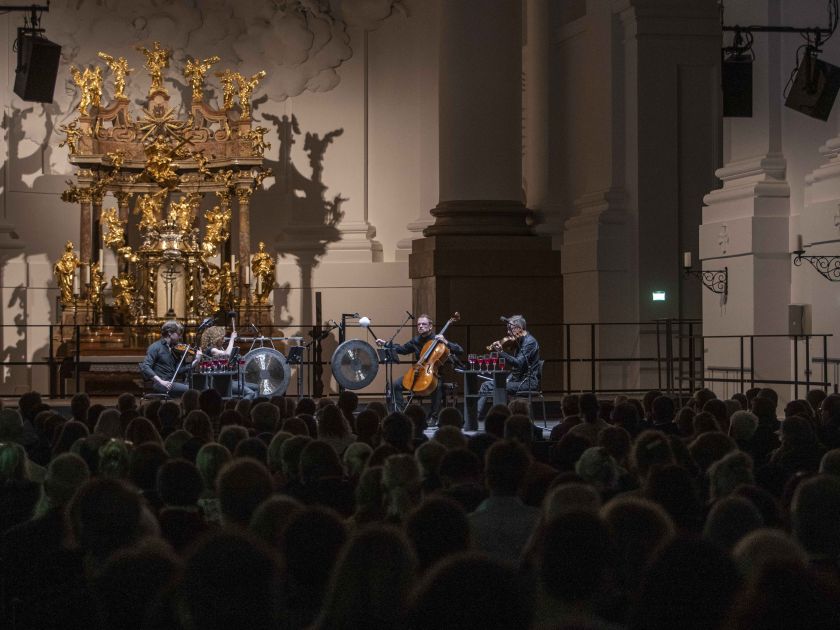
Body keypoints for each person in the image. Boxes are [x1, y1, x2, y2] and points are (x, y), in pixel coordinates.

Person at [376, 313, 463, 418]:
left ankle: (433, 416)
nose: (420, 326)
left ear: (430, 326)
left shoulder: (439, 341)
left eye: (424, 324)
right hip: (418, 372)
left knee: (437, 386)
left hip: (435, 374)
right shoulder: (415, 341)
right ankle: (401, 413)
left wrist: (445, 341)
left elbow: (459, 350)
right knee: (394, 385)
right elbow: (402, 349)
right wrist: (386, 343)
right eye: (419, 324)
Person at [477, 315, 540, 424]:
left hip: (528, 382)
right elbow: (517, 368)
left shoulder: (530, 342)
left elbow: (518, 363)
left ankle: (498, 421)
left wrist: (501, 352)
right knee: (486, 385)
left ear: (518, 328)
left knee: (498, 386)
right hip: (518, 380)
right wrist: (508, 378)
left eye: (509, 329)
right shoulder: (520, 342)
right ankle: (477, 417)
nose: (508, 332)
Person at [140, 320, 201, 397]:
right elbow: (145, 367)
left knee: (197, 386)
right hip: (161, 384)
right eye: (179, 334)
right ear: (169, 333)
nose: (180, 337)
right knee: (193, 390)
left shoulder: (175, 349)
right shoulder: (155, 347)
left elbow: (179, 370)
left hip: (172, 383)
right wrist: (161, 381)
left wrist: (195, 361)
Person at [199, 325, 256, 399]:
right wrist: (232, 339)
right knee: (250, 393)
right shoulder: (211, 350)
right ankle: (242, 408)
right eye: (222, 338)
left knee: (256, 387)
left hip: (226, 380)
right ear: (216, 339)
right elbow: (227, 354)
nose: (224, 340)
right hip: (220, 383)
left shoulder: (218, 349)